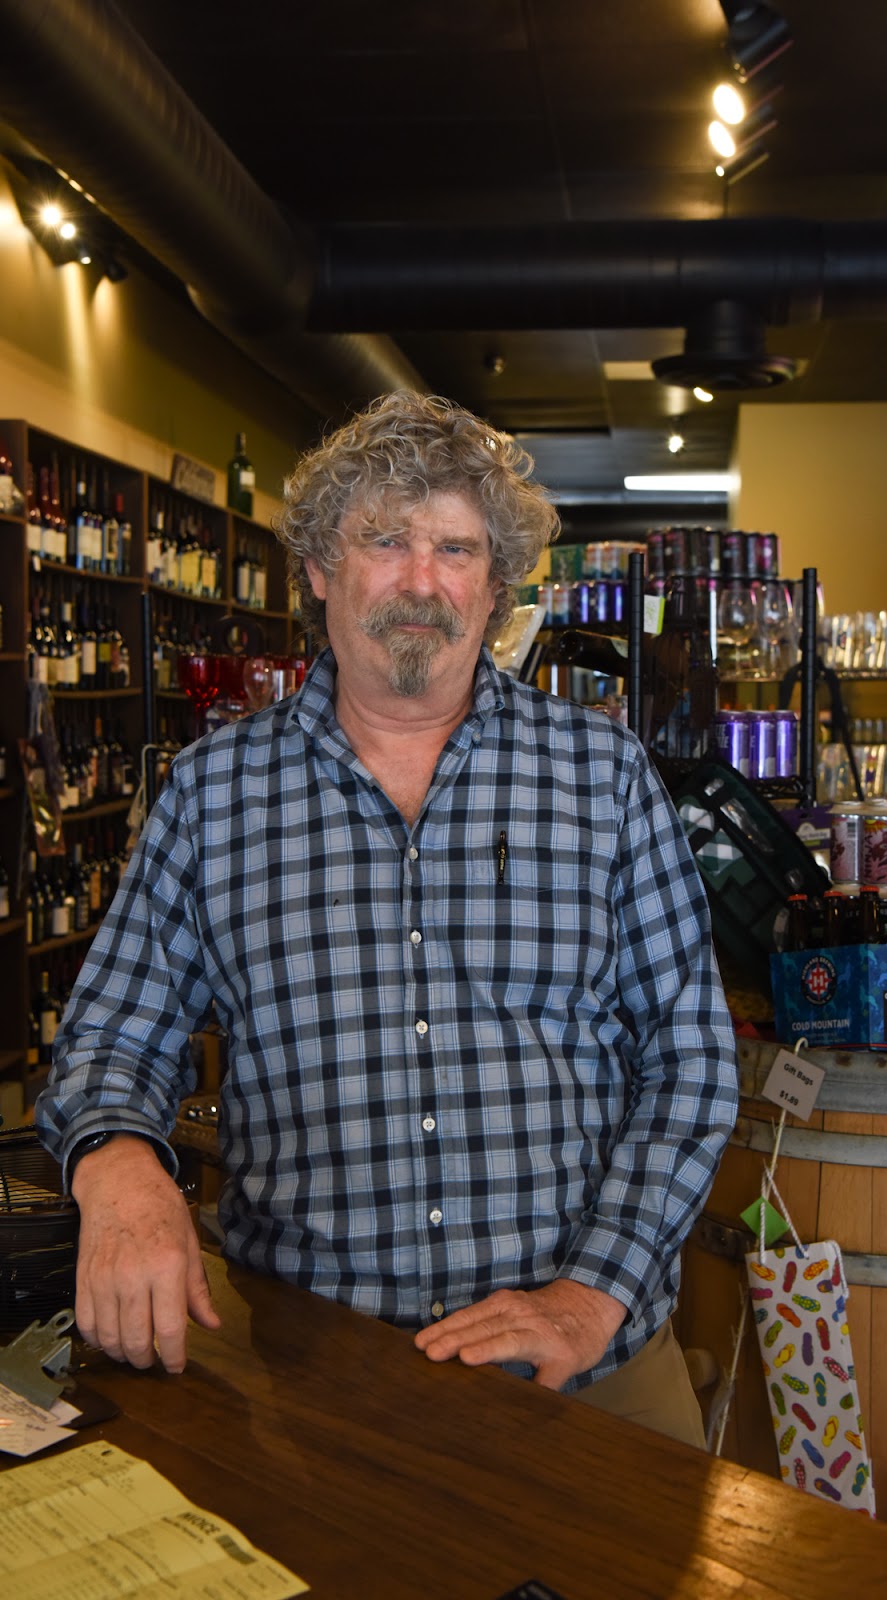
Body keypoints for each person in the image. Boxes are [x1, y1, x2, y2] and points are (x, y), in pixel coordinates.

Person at [36, 390, 737, 1447]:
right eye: (385, 541)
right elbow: (110, 1038)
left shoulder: (603, 776)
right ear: (320, 566)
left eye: (456, 549)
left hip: (584, 1369)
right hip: (309, 1371)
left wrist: (595, 1292)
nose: (420, 581)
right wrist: (123, 1171)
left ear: (495, 585)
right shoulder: (214, 793)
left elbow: (692, 1060)